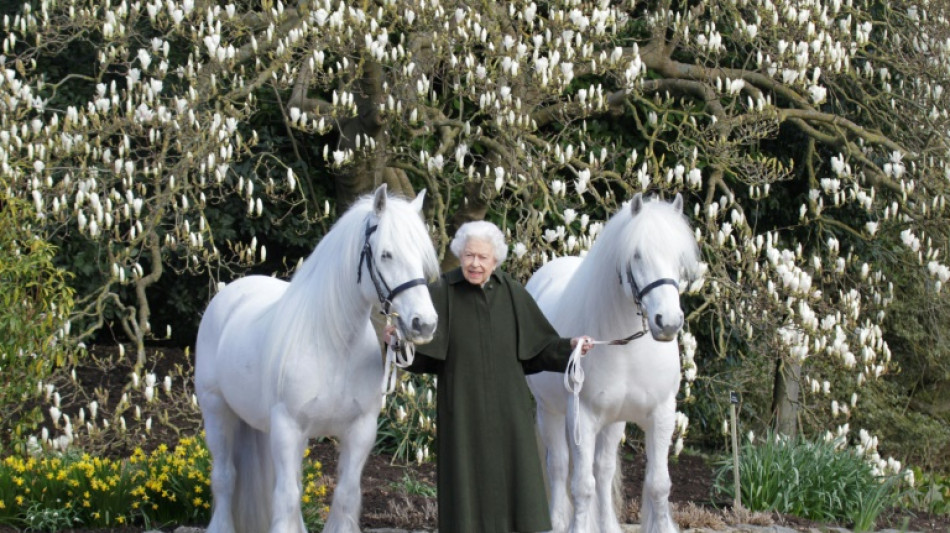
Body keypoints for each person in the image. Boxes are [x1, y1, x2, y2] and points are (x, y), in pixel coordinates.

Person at [386, 220, 592, 533]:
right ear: (460, 254)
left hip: (510, 416)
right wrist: (396, 342)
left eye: (483, 257)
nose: (475, 263)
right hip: (462, 413)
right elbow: (421, 354)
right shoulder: (442, 292)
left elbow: (538, 348)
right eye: (469, 255)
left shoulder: (511, 292)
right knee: (465, 491)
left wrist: (570, 347)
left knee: (517, 486)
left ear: (495, 259)